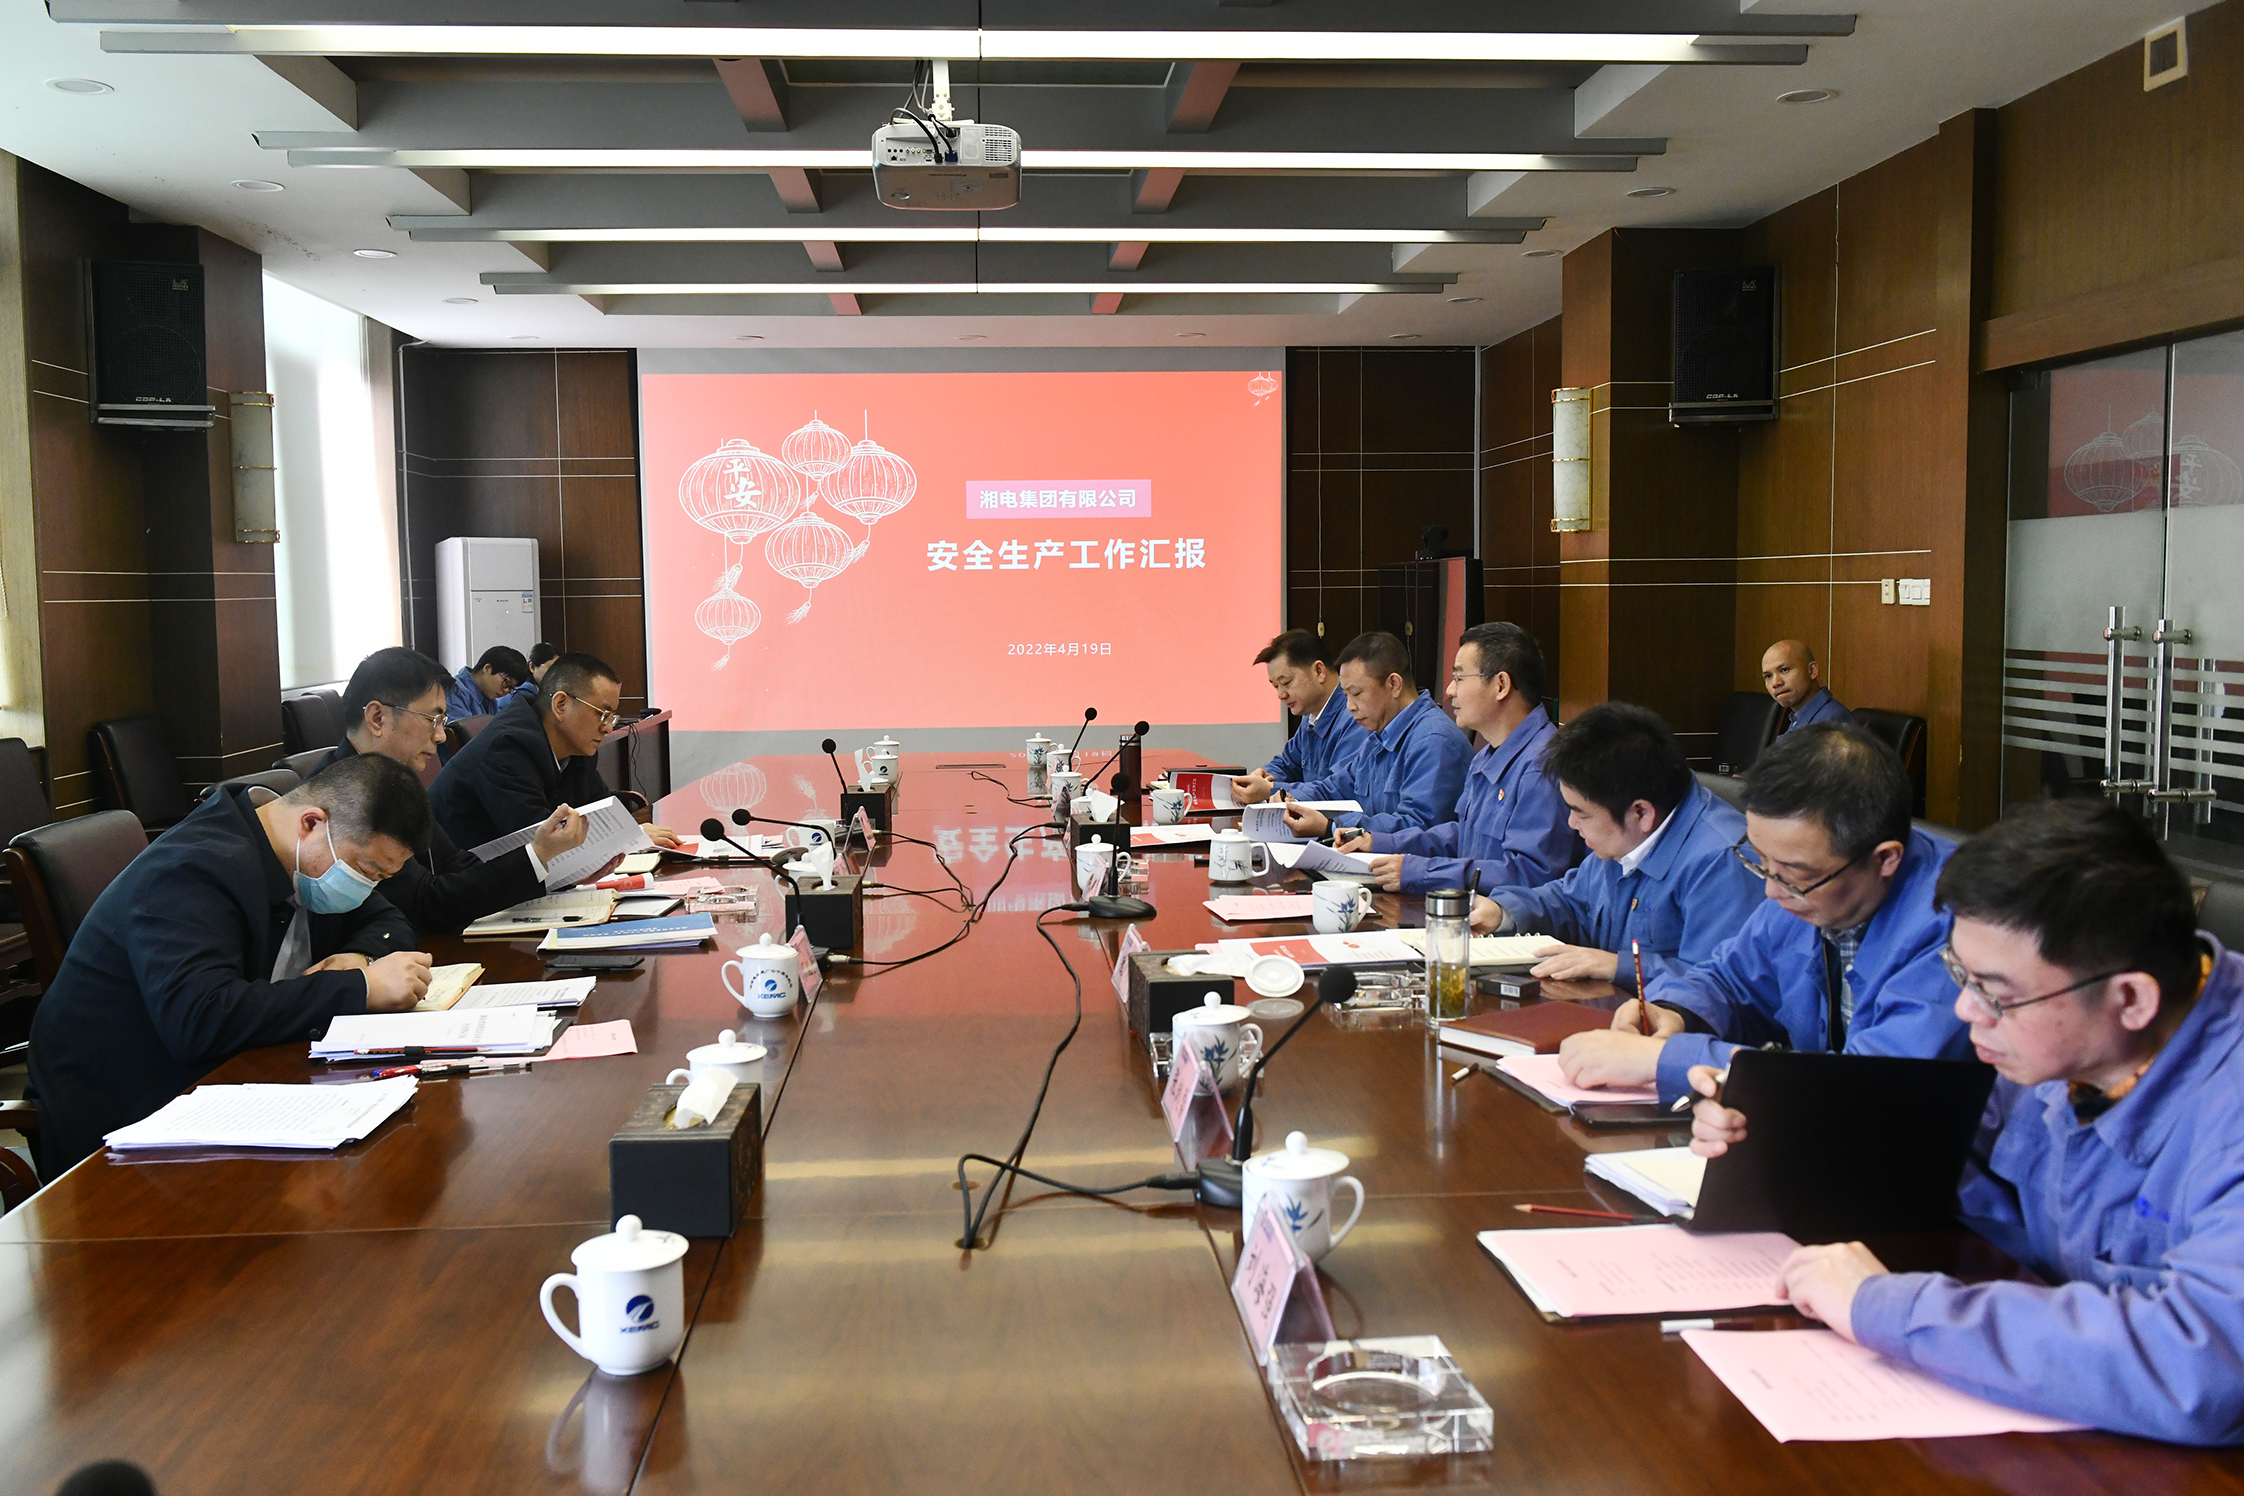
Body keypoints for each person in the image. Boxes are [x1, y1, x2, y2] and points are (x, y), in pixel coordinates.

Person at [1690, 800, 2244, 1447]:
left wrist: (1890, 1308)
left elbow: (2201, 1368)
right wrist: (1771, 1132)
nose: (1965, 1010)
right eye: (1960, 974)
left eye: (1996, 993)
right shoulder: (2068, 1043)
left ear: (2131, 999)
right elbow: (1942, 1160)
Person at [24, 755, 435, 1176]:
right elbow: (200, 1019)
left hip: (228, 1083)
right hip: (128, 1117)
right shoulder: (192, 869)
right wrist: (360, 988)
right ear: (311, 823)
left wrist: (359, 957)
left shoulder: (303, 857)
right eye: (366, 871)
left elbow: (391, 922)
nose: (366, 887)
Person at [1560, 722, 1969, 1102]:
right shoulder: (1798, 885)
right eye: (1760, 861)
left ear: (1885, 860)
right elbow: (1730, 979)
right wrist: (1675, 1013)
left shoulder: (1960, 927)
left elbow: (1873, 1087)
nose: (1771, 891)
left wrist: (1665, 1061)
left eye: (1794, 874)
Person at [1467, 702, 1758, 987]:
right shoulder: (1623, 837)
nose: (1571, 823)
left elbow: (1722, 985)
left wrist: (1618, 966)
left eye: (1581, 813)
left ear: (1640, 813)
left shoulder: (1724, 862)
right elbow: (1572, 901)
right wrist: (1503, 912)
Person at [315, 646, 593, 934]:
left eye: (443, 722)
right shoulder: (342, 798)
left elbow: (454, 862)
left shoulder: (394, 781)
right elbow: (423, 901)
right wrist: (536, 856)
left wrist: (542, 862)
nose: (439, 736)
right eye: (432, 720)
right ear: (377, 718)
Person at [1333, 622, 1579, 897]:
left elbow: (1528, 874)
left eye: (1460, 678)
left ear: (1501, 685)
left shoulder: (1541, 767)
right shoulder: (1487, 756)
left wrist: (1422, 872)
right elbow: (1463, 836)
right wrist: (1380, 842)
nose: (1450, 690)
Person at [428, 650, 680, 852]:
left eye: (611, 717)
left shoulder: (576, 747)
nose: (607, 727)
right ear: (561, 704)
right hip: (467, 884)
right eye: (602, 714)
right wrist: (625, 838)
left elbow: (602, 811)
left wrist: (630, 833)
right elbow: (545, 844)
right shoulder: (506, 749)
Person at [1276, 631, 1472, 839]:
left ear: (1394, 684)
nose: (1350, 706)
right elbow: (1336, 787)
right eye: (1346, 695)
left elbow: (1417, 827)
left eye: (1357, 694)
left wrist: (1334, 827)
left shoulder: (1434, 741)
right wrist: (1290, 797)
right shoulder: (1378, 736)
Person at [1230, 630, 1368, 805]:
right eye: (1276, 686)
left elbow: (1339, 790)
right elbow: (1288, 764)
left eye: (1286, 683)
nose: (1281, 694)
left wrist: (1270, 789)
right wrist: (1265, 775)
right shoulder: (1310, 715)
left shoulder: (1355, 717)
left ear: (1319, 671)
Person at [1763, 638, 1855, 734]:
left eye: (1784, 670)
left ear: (1812, 671)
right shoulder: (1798, 718)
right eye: (1768, 676)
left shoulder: (1831, 721)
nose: (1775, 683)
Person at [443, 645, 531, 724]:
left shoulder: (489, 699)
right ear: (487, 669)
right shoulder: (455, 692)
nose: (506, 690)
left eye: (511, 688)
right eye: (506, 683)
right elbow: (462, 734)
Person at [495, 641, 559, 713]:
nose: (554, 673)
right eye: (551, 668)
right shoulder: (524, 692)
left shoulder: (536, 690)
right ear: (532, 667)